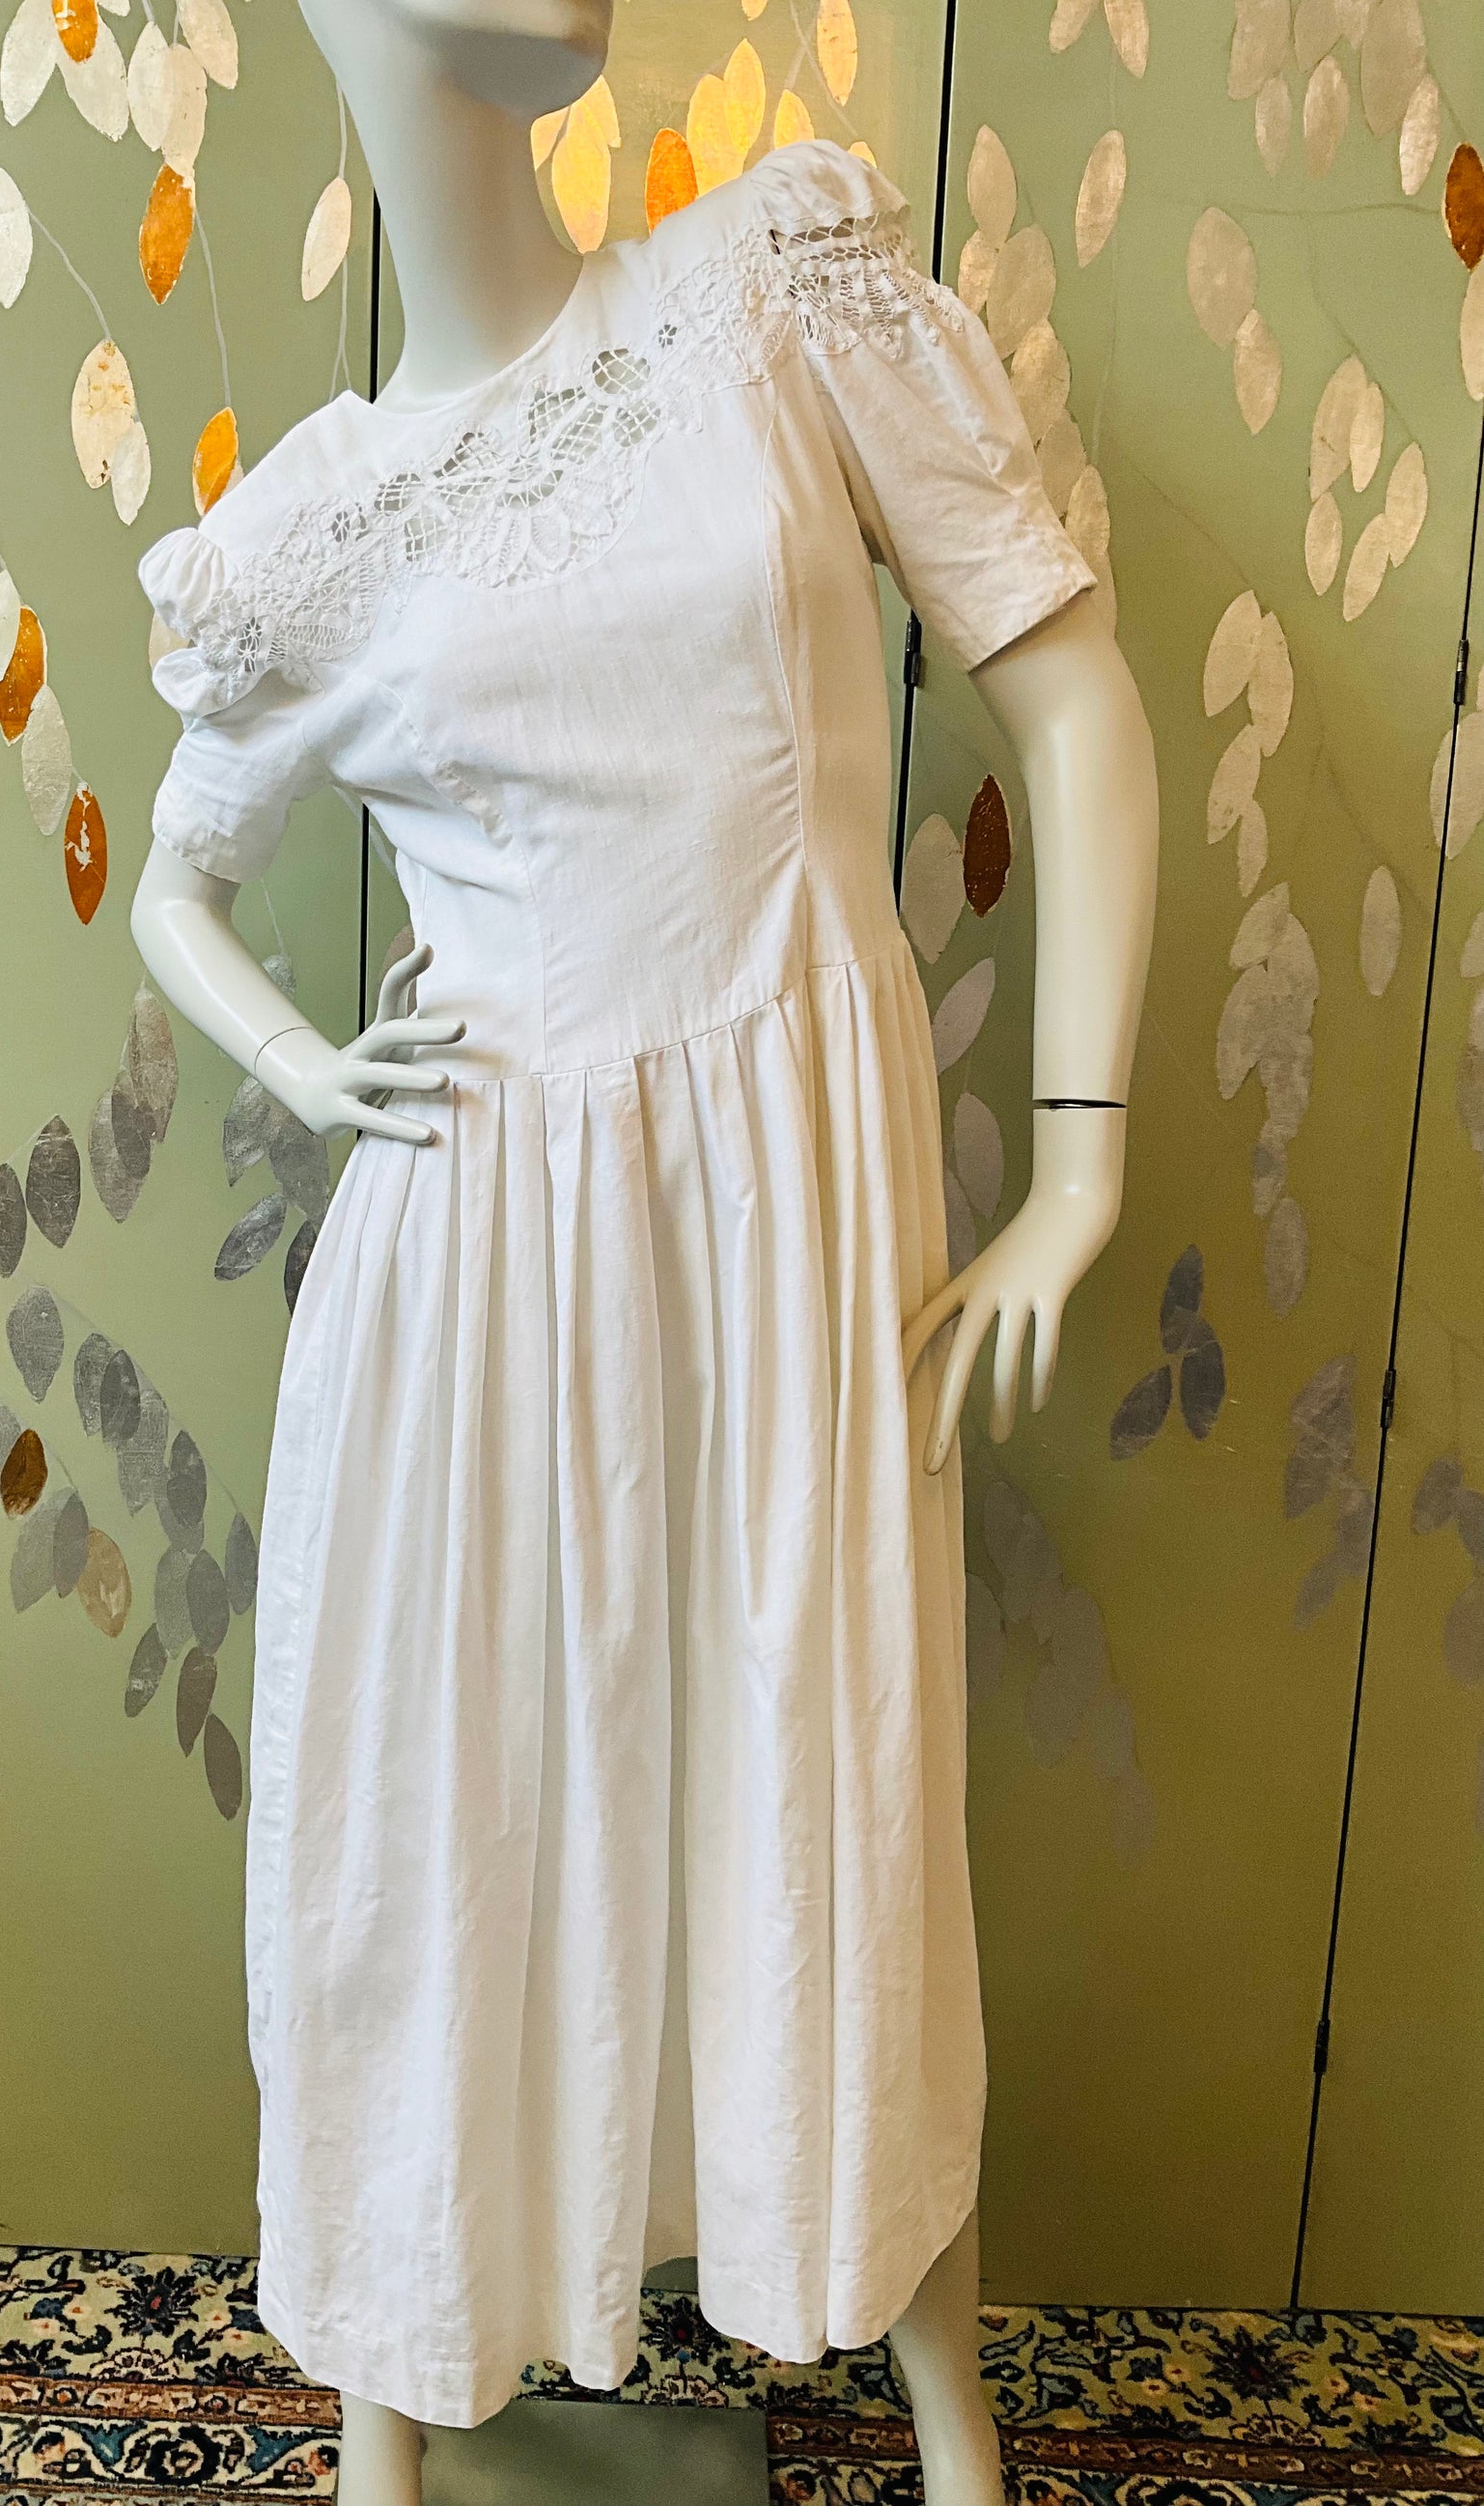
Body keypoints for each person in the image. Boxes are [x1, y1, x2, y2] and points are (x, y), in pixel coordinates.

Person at [130, 4, 1160, 2498]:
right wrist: (297, 1067)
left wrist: (1081, 1159)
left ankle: (933, 2395)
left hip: (793, 1213)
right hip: (470, 1249)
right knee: (442, 1788)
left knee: (826, 1774)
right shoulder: (316, 527)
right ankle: (387, 2412)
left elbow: (1070, 687)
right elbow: (176, 874)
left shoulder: (770, 295)